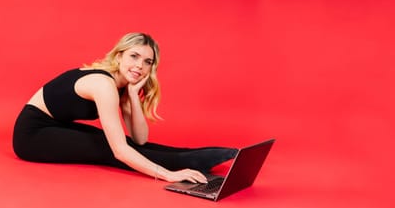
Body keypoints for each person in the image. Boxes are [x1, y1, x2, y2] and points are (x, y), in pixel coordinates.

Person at [13, 32, 237, 183]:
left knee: (125, 143)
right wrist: (168, 175)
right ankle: (190, 163)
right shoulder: (104, 84)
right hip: (32, 135)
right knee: (108, 148)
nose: (139, 65)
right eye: (134, 56)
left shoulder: (122, 87)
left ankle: (203, 155)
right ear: (119, 56)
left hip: (55, 126)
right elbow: (119, 151)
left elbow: (139, 139)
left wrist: (132, 95)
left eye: (147, 62)